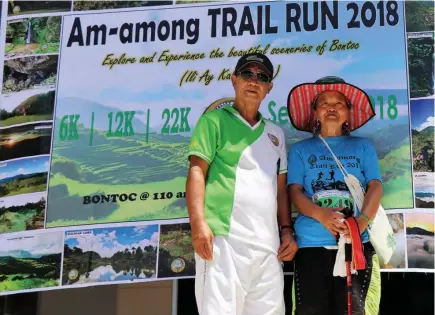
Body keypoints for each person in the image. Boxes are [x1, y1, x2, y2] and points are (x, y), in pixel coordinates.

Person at [186, 52, 298, 315]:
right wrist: (198, 224)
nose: (253, 81)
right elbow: (196, 172)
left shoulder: (275, 134)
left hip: (268, 248)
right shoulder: (213, 121)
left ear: (269, 88)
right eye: (247, 74)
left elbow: (280, 189)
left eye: (262, 77)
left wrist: (286, 231)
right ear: (234, 80)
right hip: (223, 243)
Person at [286, 76, 383, 315]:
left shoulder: (363, 146)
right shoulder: (300, 150)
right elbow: (294, 191)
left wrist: (361, 222)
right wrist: (321, 215)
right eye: (324, 103)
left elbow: (376, 185)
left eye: (339, 103)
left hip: (357, 244)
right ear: (315, 112)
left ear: (348, 112)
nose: (331, 107)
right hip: (311, 247)